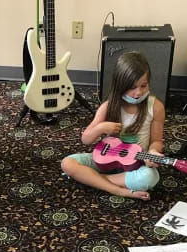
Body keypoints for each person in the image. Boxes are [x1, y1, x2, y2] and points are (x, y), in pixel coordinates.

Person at [61, 51, 165, 200]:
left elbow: (157, 140)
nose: (138, 92)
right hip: (106, 159)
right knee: (68, 163)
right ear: (120, 85)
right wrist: (101, 128)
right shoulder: (108, 106)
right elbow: (86, 139)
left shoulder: (155, 107)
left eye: (143, 86)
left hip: (136, 163)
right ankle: (118, 190)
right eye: (132, 87)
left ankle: (92, 179)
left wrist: (153, 152)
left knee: (150, 178)